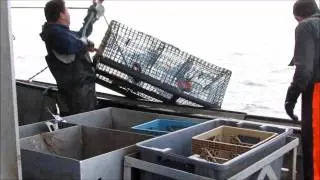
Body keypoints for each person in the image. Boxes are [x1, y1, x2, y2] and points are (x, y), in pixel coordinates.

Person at [40, 0, 104, 115]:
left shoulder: (63, 32)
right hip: (75, 96)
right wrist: (83, 44)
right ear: (61, 14)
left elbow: (82, 35)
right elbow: (70, 45)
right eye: (67, 11)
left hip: (83, 92)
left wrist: (94, 9)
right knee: (80, 125)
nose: (69, 14)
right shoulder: (55, 33)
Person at [285, 0, 320, 179]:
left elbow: (305, 69)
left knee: (315, 152)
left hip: (317, 93)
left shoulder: (305, 26)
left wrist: (291, 98)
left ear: (298, 16)